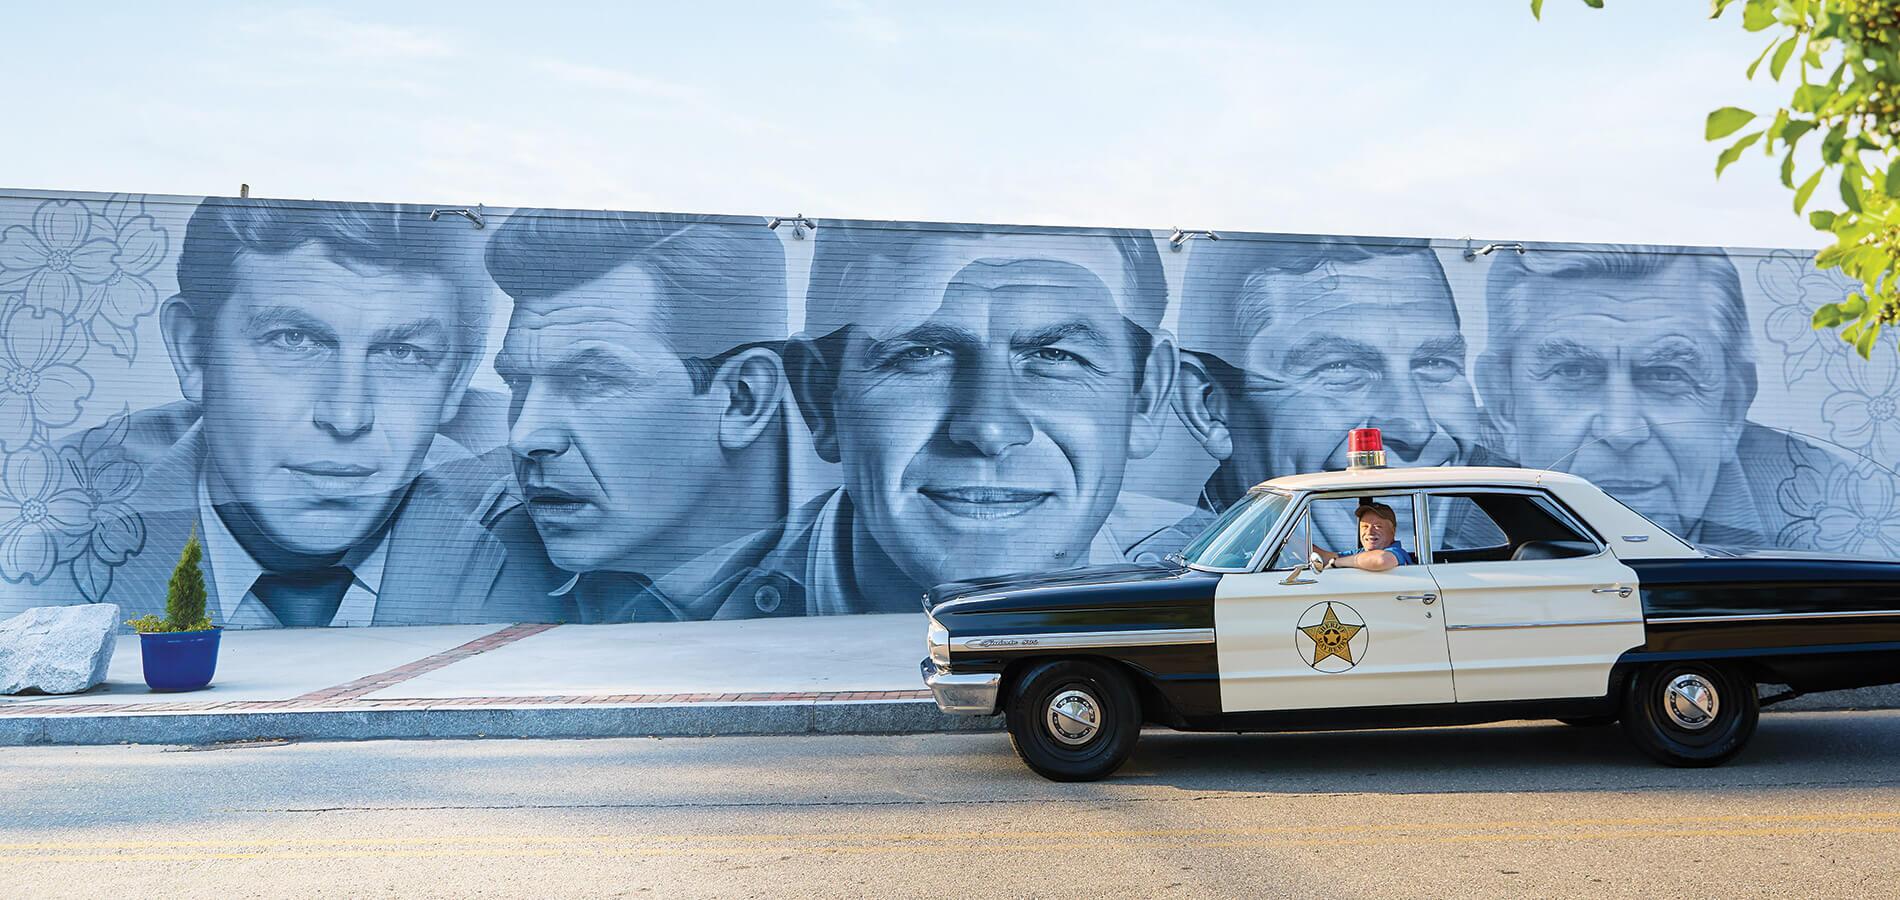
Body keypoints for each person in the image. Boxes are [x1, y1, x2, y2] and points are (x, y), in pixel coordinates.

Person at [8, 197, 565, 627]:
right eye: (293, 339)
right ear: (192, 351)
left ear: (456, 381)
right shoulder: (47, 525)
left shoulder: (554, 527)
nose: (347, 417)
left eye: (402, 353)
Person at [778, 222, 1190, 613]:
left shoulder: (1229, 571)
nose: (990, 430)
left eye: (1056, 356)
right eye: (921, 354)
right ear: (819, 399)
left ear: (1146, 398)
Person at [483, 209, 802, 622]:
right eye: (517, 383)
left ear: (743, 400)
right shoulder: (478, 544)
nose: (523, 436)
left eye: (591, 378)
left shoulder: (881, 548)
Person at [1478, 245, 1840, 547]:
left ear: (1732, 409)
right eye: (1573, 371)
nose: (1622, 431)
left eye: (1667, 374)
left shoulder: (1835, 504)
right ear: (1503, 404)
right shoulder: (1439, 520)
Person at [1173, 236, 1506, 513]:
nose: (1415, 426)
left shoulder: (1532, 544)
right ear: (1207, 409)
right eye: (1339, 368)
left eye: (1435, 364)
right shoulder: (1180, 588)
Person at [1313, 501, 1414, 572]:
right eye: (1365, 526)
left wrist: (1337, 563)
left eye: (1378, 526)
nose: (1369, 531)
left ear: (1393, 531)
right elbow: (1324, 557)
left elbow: (1382, 559)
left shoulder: (1397, 552)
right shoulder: (1362, 553)